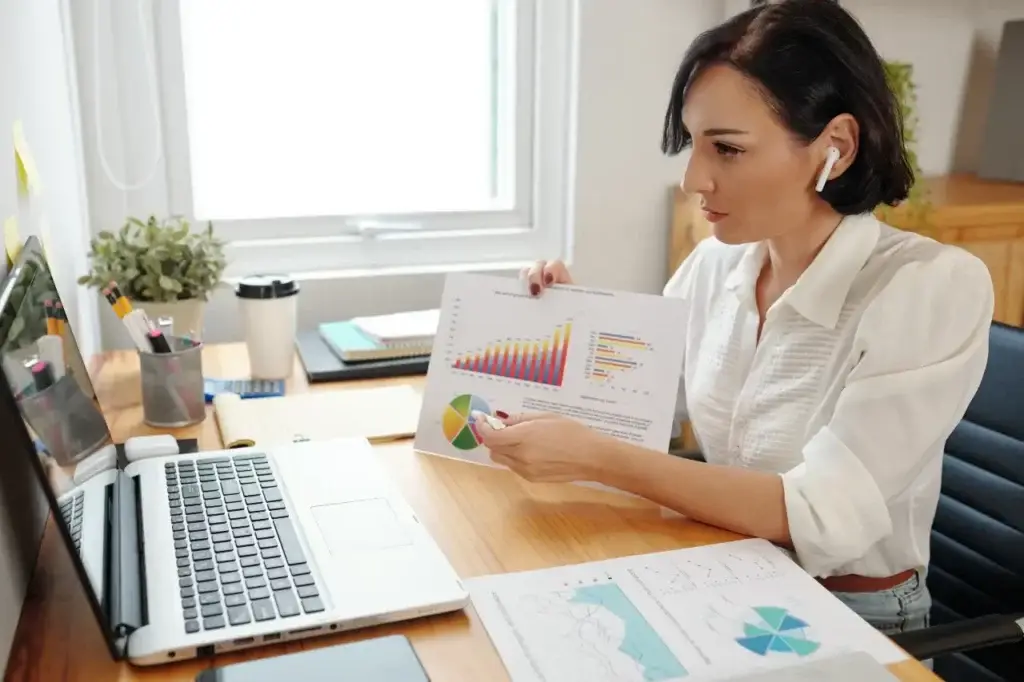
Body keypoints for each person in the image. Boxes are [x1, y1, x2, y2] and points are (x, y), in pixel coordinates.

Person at [472, 0, 994, 638]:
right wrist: (575, 325)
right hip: (722, 566)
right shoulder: (716, 268)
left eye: (727, 149)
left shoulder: (928, 287)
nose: (695, 178)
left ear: (836, 147)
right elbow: (642, 413)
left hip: (854, 612)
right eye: (694, 145)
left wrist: (601, 461)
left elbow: (821, 517)